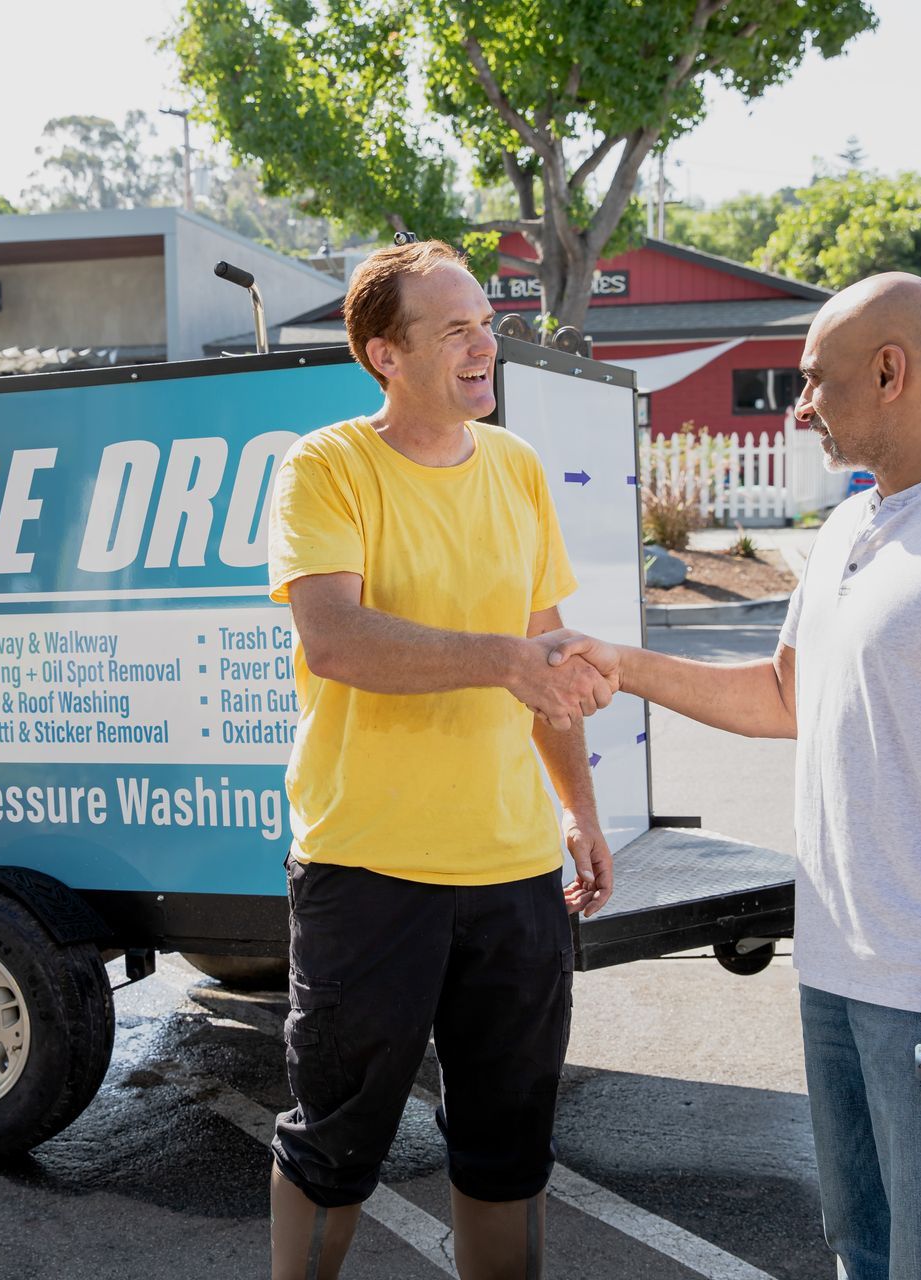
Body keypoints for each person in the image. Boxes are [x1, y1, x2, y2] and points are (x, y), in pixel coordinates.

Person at [575, 273, 921, 1280]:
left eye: (814, 380)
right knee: (861, 1251)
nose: (801, 405)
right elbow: (786, 696)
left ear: (888, 370)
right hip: (839, 971)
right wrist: (624, 666)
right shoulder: (852, 527)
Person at [263, 238, 617, 1280]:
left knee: (509, 1148)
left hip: (512, 872)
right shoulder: (327, 466)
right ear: (386, 352)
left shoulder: (514, 466)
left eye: (485, 319)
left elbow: (547, 658)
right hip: (369, 869)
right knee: (334, 1143)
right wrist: (503, 660)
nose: (484, 340)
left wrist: (581, 809)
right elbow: (336, 638)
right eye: (454, 326)